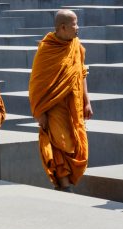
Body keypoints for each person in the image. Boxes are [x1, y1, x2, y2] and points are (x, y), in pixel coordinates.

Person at [29, 9, 93, 192]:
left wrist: (87, 101)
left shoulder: (76, 45)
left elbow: (81, 74)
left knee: (76, 144)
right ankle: (64, 185)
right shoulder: (47, 48)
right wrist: (39, 112)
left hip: (74, 105)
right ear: (63, 27)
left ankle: (66, 185)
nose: (78, 27)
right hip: (54, 106)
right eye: (74, 24)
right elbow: (36, 83)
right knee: (60, 143)